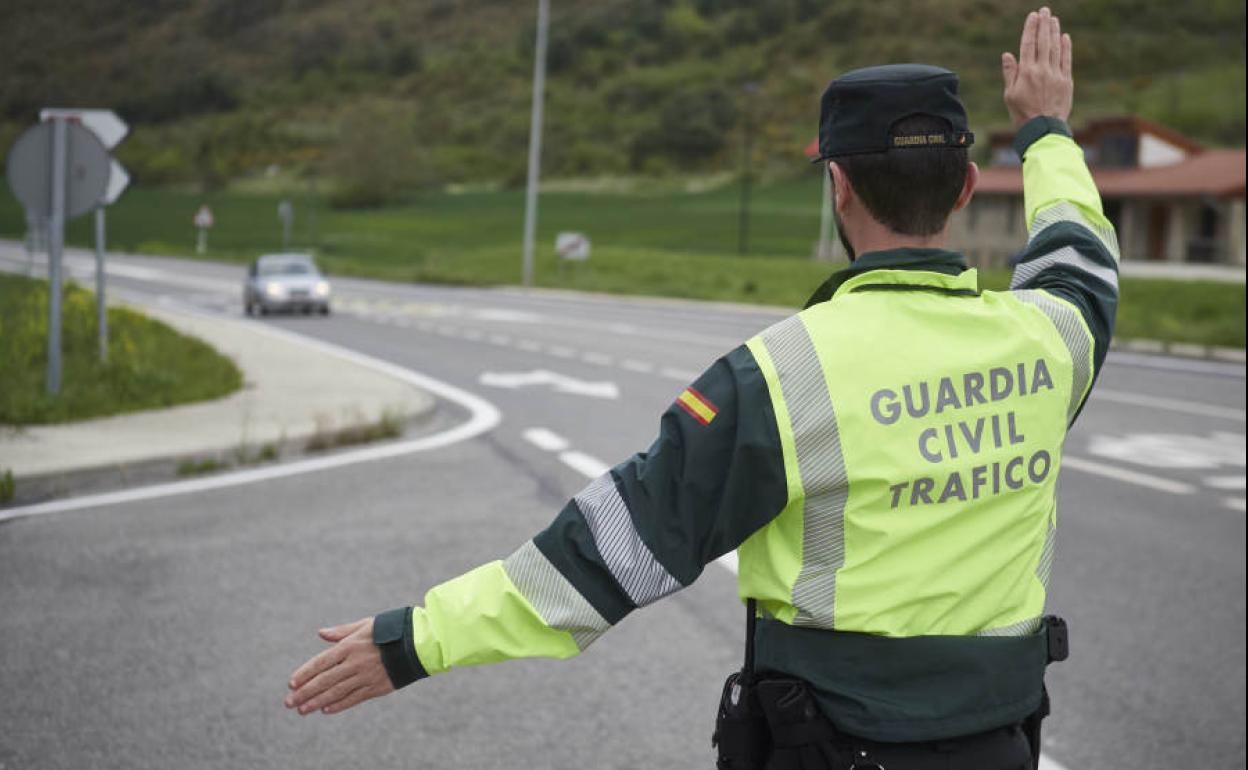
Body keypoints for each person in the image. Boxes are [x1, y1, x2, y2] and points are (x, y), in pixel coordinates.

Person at [285, 7, 1118, 768]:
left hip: (830, 750)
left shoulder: (783, 373)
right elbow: (1080, 254)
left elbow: (608, 551)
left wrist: (414, 641)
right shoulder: (1052, 340)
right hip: (1002, 745)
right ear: (967, 189)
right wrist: (1044, 131)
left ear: (839, 186)